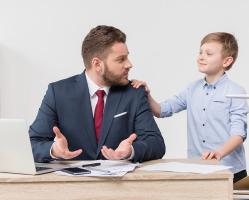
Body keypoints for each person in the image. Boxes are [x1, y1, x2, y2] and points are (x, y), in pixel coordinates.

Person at [29, 25, 165, 163]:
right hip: (73, 183)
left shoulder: (134, 93)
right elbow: (32, 143)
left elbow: (156, 144)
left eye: (127, 57)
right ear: (97, 64)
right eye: (121, 59)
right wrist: (53, 150)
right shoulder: (58, 93)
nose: (129, 64)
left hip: (120, 183)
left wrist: (131, 151)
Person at [132, 32, 248, 182]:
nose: (201, 56)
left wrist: (219, 153)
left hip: (231, 171)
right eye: (200, 52)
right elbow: (162, 110)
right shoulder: (192, 89)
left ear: (226, 61)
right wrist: (146, 94)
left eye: (209, 53)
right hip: (199, 170)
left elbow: (239, 134)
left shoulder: (236, 92)